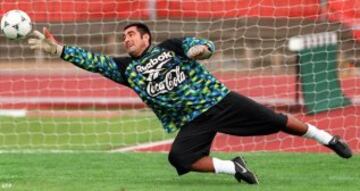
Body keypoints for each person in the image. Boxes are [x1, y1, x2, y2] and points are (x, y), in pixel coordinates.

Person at [28, 23, 352, 184]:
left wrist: (202, 51)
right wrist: (58, 51)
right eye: (124, 36)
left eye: (132, 34)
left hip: (220, 101)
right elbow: (93, 61)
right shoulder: (126, 69)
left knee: (278, 121)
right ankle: (234, 167)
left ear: (146, 38)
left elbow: (201, 44)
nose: (126, 39)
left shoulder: (171, 47)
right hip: (194, 120)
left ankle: (328, 138)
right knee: (179, 158)